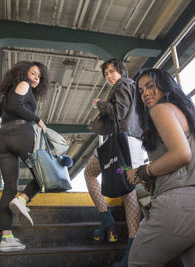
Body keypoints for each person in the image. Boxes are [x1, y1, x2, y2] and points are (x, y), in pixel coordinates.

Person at [126, 68, 195, 266]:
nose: (145, 94)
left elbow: (182, 155)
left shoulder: (160, 110)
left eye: (150, 86)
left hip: (182, 206)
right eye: (141, 91)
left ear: (165, 85)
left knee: (137, 263)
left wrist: (143, 171)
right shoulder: (190, 114)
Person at [85, 58, 146, 267]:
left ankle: (107, 220)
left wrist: (100, 104)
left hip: (124, 142)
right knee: (127, 189)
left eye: (112, 71)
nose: (109, 76)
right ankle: (131, 248)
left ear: (121, 71)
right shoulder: (131, 87)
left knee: (92, 174)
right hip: (131, 142)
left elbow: (118, 113)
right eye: (106, 74)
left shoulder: (123, 84)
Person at [0, 61, 51, 252]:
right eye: (33, 73)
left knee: (9, 187)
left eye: (39, 76)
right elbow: (17, 106)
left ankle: (6, 237)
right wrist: (38, 119)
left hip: (2, 139)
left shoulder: (8, 93)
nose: (36, 78)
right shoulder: (24, 85)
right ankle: (23, 199)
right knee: (44, 176)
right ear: (24, 73)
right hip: (20, 133)